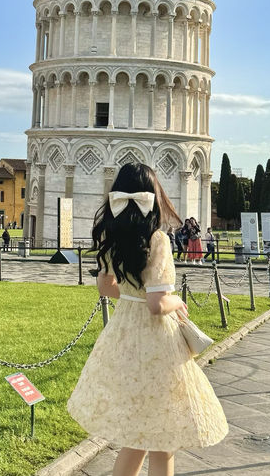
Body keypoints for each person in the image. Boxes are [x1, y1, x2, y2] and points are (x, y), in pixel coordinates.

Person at [67, 162, 228, 476]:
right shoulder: (158, 240)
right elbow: (157, 304)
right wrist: (177, 300)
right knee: (163, 437)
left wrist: (132, 297)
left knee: (137, 433)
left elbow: (105, 286)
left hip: (123, 337)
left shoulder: (113, 237)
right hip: (156, 344)